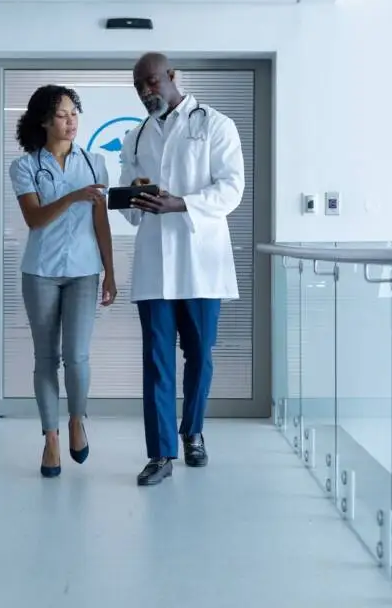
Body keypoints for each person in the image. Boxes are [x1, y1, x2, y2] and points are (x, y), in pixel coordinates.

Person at [119, 53, 245, 486]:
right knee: (157, 360)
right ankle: (160, 454)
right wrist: (133, 198)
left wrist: (181, 204)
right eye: (139, 86)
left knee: (199, 354)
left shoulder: (215, 124)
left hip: (201, 261)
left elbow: (232, 189)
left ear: (172, 76)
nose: (146, 92)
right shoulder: (135, 137)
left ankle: (192, 432)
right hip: (154, 264)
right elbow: (130, 209)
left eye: (152, 81)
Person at [9, 84, 116, 478]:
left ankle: (76, 420)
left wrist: (110, 271)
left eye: (74, 113)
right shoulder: (25, 167)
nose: (71, 121)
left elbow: (101, 221)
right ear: (43, 121)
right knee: (46, 358)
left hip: (84, 271)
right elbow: (34, 219)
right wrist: (72, 197)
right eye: (61, 115)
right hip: (41, 271)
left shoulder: (95, 163)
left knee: (77, 355)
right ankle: (50, 438)